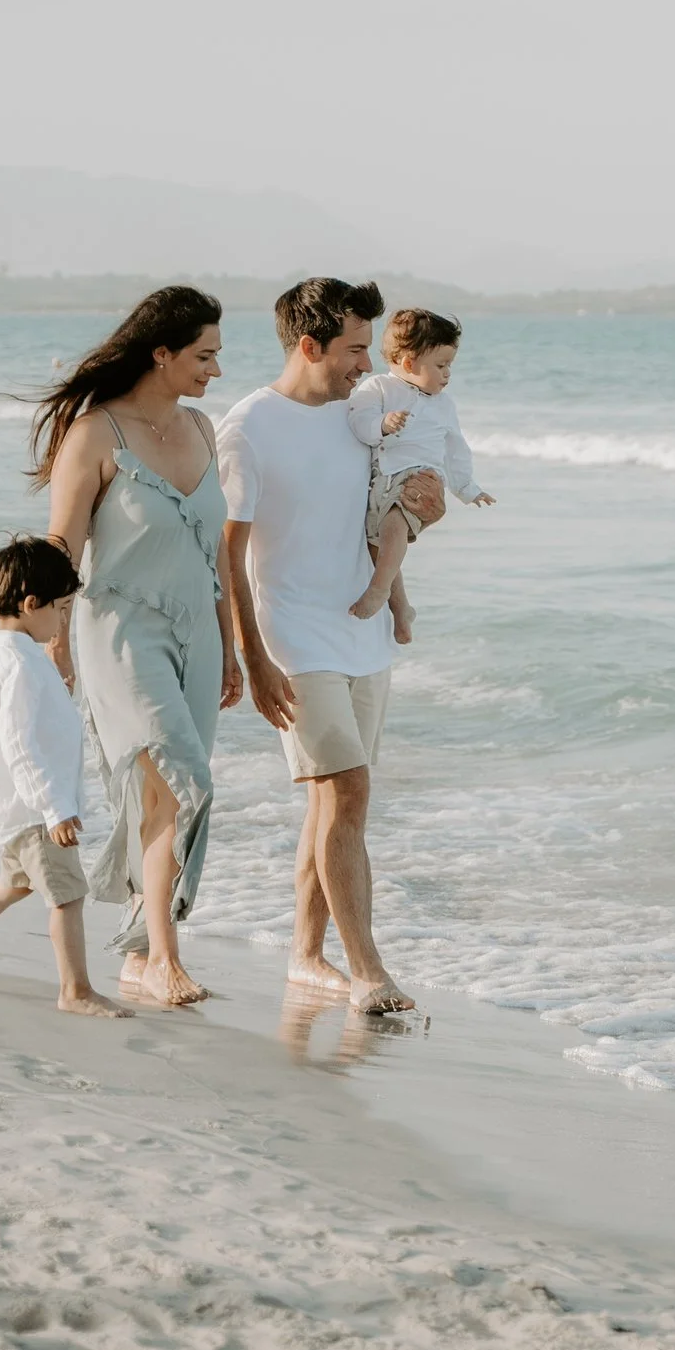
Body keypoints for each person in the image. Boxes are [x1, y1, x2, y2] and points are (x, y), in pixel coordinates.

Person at [218, 277, 441, 1014]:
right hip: (292, 636)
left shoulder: (362, 417)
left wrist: (424, 517)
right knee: (347, 789)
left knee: (333, 806)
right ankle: (369, 971)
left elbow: (387, 505)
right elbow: (229, 554)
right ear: (309, 346)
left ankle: (306, 956)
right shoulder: (250, 426)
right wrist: (248, 656)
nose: (364, 364)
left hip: (362, 633)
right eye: (352, 349)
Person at [35, 286, 243, 1008]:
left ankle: (139, 946)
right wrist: (48, 642)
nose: (215, 370)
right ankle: (162, 957)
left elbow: (217, 552)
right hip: (120, 632)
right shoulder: (97, 434)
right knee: (177, 781)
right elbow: (63, 543)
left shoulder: (204, 430)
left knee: (165, 794)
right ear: (162, 353)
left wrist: (233, 645)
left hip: (198, 635)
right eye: (204, 356)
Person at [0, 536, 129, 1018]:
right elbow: (19, 744)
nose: (62, 621)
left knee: (9, 886)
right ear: (30, 604)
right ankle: (74, 990)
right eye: (58, 609)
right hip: (38, 808)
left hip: (26, 806)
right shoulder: (18, 664)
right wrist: (55, 808)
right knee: (68, 897)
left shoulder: (23, 656)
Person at [345, 308, 496, 636]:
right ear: (409, 363)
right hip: (382, 479)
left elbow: (456, 449)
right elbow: (359, 420)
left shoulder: (444, 405)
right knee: (379, 546)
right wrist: (381, 425)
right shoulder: (378, 389)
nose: (447, 375)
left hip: (418, 479)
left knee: (393, 528)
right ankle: (401, 610)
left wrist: (467, 488)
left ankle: (378, 592)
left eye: (449, 366)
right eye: (441, 366)